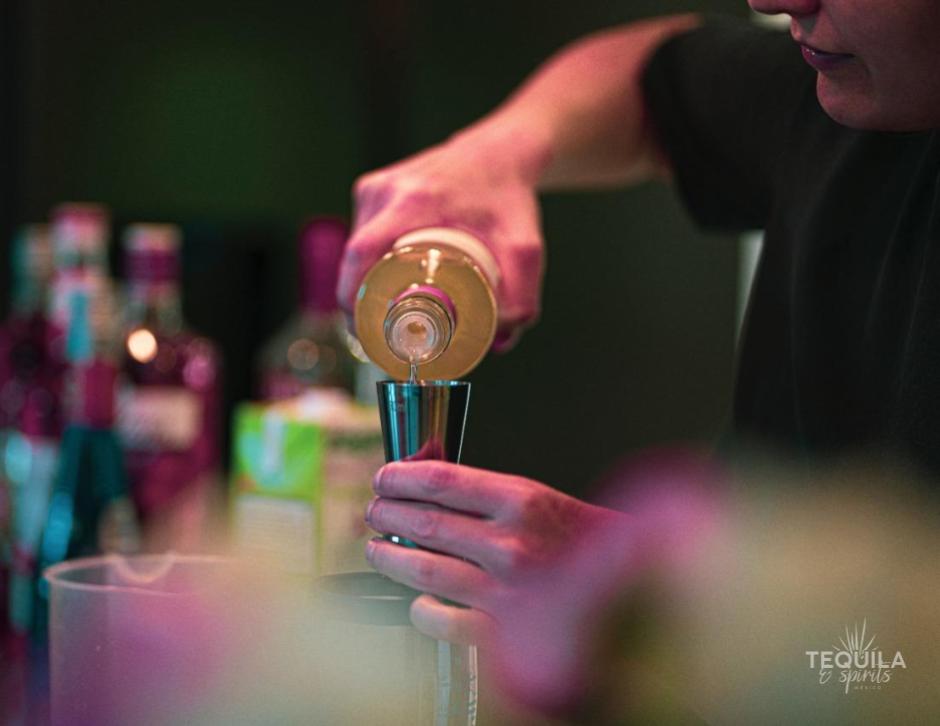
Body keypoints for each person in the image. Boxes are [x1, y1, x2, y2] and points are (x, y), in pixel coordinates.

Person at [337, 0, 940, 671]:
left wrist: (667, 596)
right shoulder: (853, 90)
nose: (774, 1)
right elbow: (651, 77)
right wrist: (491, 156)